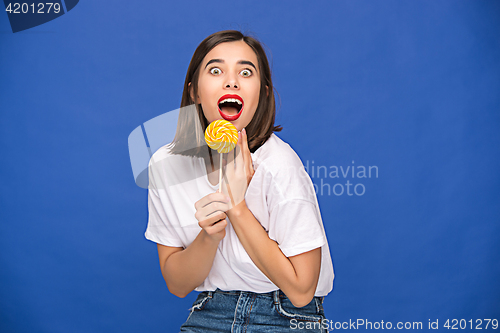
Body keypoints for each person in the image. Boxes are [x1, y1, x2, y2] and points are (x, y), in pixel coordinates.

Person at [145, 30, 334, 332]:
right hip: (211, 311)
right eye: (216, 70)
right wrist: (208, 237)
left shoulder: (279, 166)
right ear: (194, 91)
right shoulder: (167, 166)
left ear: (263, 93)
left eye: (246, 72)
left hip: (284, 317)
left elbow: (301, 291)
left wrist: (237, 208)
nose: (231, 81)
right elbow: (177, 284)